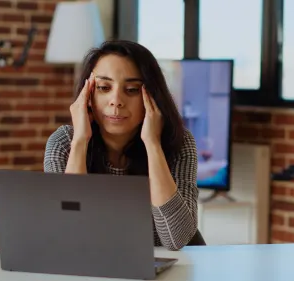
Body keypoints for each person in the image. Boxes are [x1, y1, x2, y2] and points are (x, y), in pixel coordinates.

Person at [43, 40, 199, 251]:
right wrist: (80, 140)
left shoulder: (179, 143)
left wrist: (153, 145)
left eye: (132, 89)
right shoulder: (63, 142)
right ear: (88, 95)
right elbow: (68, 232)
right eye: (104, 87)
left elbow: (176, 239)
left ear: (152, 96)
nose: (116, 100)